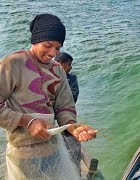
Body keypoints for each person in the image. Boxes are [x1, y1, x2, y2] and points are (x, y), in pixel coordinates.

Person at [0, 13, 98, 179]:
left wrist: (73, 128)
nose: (53, 53)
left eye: (58, 48)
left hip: (53, 148)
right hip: (23, 152)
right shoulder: (13, 63)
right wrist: (28, 122)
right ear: (35, 40)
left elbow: (64, 107)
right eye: (48, 45)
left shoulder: (58, 70)